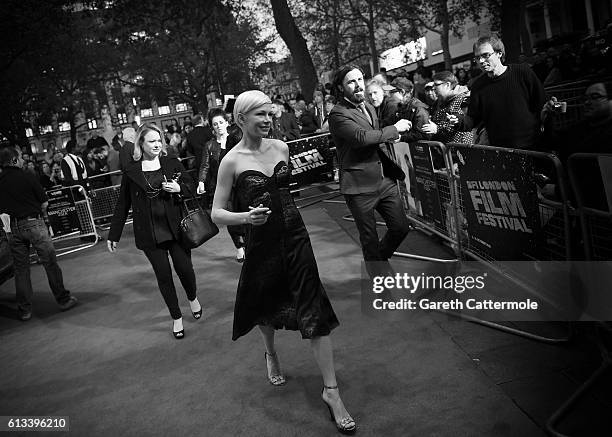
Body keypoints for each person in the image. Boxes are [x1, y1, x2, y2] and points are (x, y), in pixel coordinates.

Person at [211, 90, 355, 435]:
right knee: (267, 305)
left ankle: (331, 392)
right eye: (259, 115)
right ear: (241, 118)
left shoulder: (282, 148)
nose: (267, 120)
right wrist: (246, 217)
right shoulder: (230, 160)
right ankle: (270, 352)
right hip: (262, 245)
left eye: (269, 114)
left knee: (313, 308)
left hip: (295, 237)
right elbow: (216, 213)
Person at [107, 123, 202, 340]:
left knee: (185, 269)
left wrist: (180, 188)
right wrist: (114, 234)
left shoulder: (171, 162)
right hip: (150, 232)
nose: (157, 144)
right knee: (164, 276)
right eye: (152, 141)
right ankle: (176, 317)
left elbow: (191, 185)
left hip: (176, 228)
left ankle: (192, 297)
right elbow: (123, 204)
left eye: (159, 140)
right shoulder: (131, 171)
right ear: (141, 143)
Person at [328, 65, 412, 278]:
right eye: (351, 82)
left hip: (384, 181)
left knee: (401, 228)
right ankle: (381, 284)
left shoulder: (369, 106)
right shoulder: (338, 114)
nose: (358, 85)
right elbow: (361, 138)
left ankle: (378, 264)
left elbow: (375, 136)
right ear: (341, 87)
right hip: (358, 186)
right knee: (370, 240)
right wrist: (395, 129)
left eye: (360, 79)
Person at [0, 146, 78, 321]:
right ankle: (63, 299)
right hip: (33, 222)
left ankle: (25, 309)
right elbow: (44, 202)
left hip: (11, 227)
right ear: (14, 160)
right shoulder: (27, 175)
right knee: (49, 262)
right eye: (20, 158)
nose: (22, 160)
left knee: (21, 270)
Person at [452, 34, 546, 149]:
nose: (481, 61)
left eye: (485, 55)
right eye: (477, 57)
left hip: (532, 146)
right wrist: (458, 120)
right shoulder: (477, 86)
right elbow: (473, 119)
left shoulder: (523, 73)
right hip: (500, 150)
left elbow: (542, 105)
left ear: (499, 53)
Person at [197, 109, 246, 262]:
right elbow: (205, 165)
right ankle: (239, 247)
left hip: (241, 184)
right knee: (230, 218)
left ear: (226, 122)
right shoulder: (209, 145)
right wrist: (201, 182)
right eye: (215, 124)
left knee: (245, 214)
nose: (218, 126)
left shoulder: (237, 139)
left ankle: (249, 242)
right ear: (212, 127)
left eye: (220, 122)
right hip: (222, 187)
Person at [422, 71, 473, 144]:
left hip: (461, 147)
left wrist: (437, 128)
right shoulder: (439, 101)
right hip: (446, 148)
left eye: (436, 85)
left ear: (447, 85)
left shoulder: (463, 99)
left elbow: (461, 124)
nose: (434, 88)